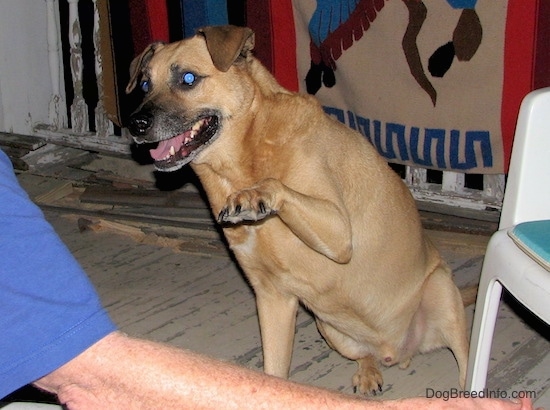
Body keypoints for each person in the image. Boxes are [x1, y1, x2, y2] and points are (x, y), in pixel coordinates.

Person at [0, 148, 538, 410]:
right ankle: (368, 355)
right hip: (354, 332)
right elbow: (94, 378)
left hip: (406, 306)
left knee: (439, 288)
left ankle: (470, 379)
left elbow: (339, 244)